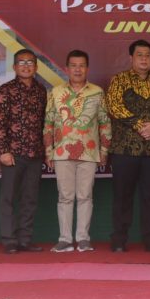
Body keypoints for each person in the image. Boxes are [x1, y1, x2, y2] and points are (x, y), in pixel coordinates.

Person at [106, 40, 150, 253]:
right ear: (131, 58)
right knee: (122, 195)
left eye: (147, 55)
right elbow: (114, 106)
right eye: (139, 55)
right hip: (125, 149)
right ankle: (119, 240)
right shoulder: (119, 80)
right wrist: (138, 125)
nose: (143, 58)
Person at [44, 50, 111, 253]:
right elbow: (48, 123)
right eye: (73, 65)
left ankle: (83, 239)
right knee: (65, 197)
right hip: (62, 152)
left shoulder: (97, 92)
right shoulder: (55, 92)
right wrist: (49, 151)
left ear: (87, 68)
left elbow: (105, 123)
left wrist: (104, 151)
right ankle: (64, 239)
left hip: (89, 154)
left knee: (85, 196)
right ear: (66, 69)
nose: (78, 69)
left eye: (81, 65)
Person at [0, 49, 47, 254]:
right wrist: (4, 151)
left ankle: (25, 239)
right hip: (13, 154)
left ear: (36, 66)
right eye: (21, 62)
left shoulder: (41, 90)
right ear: (14, 67)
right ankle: (9, 240)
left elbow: (44, 122)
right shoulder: (6, 90)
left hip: (35, 153)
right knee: (8, 198)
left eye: (30, 62)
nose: (26, 66)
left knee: (30, 198)